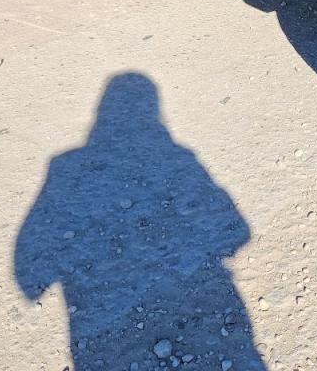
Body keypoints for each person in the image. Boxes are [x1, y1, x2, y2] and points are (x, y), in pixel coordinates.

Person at [15, 72, 264, 369]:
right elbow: (237, 230)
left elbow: (29, 267)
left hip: (96, 326)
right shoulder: (179, 157)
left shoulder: (66, 166)